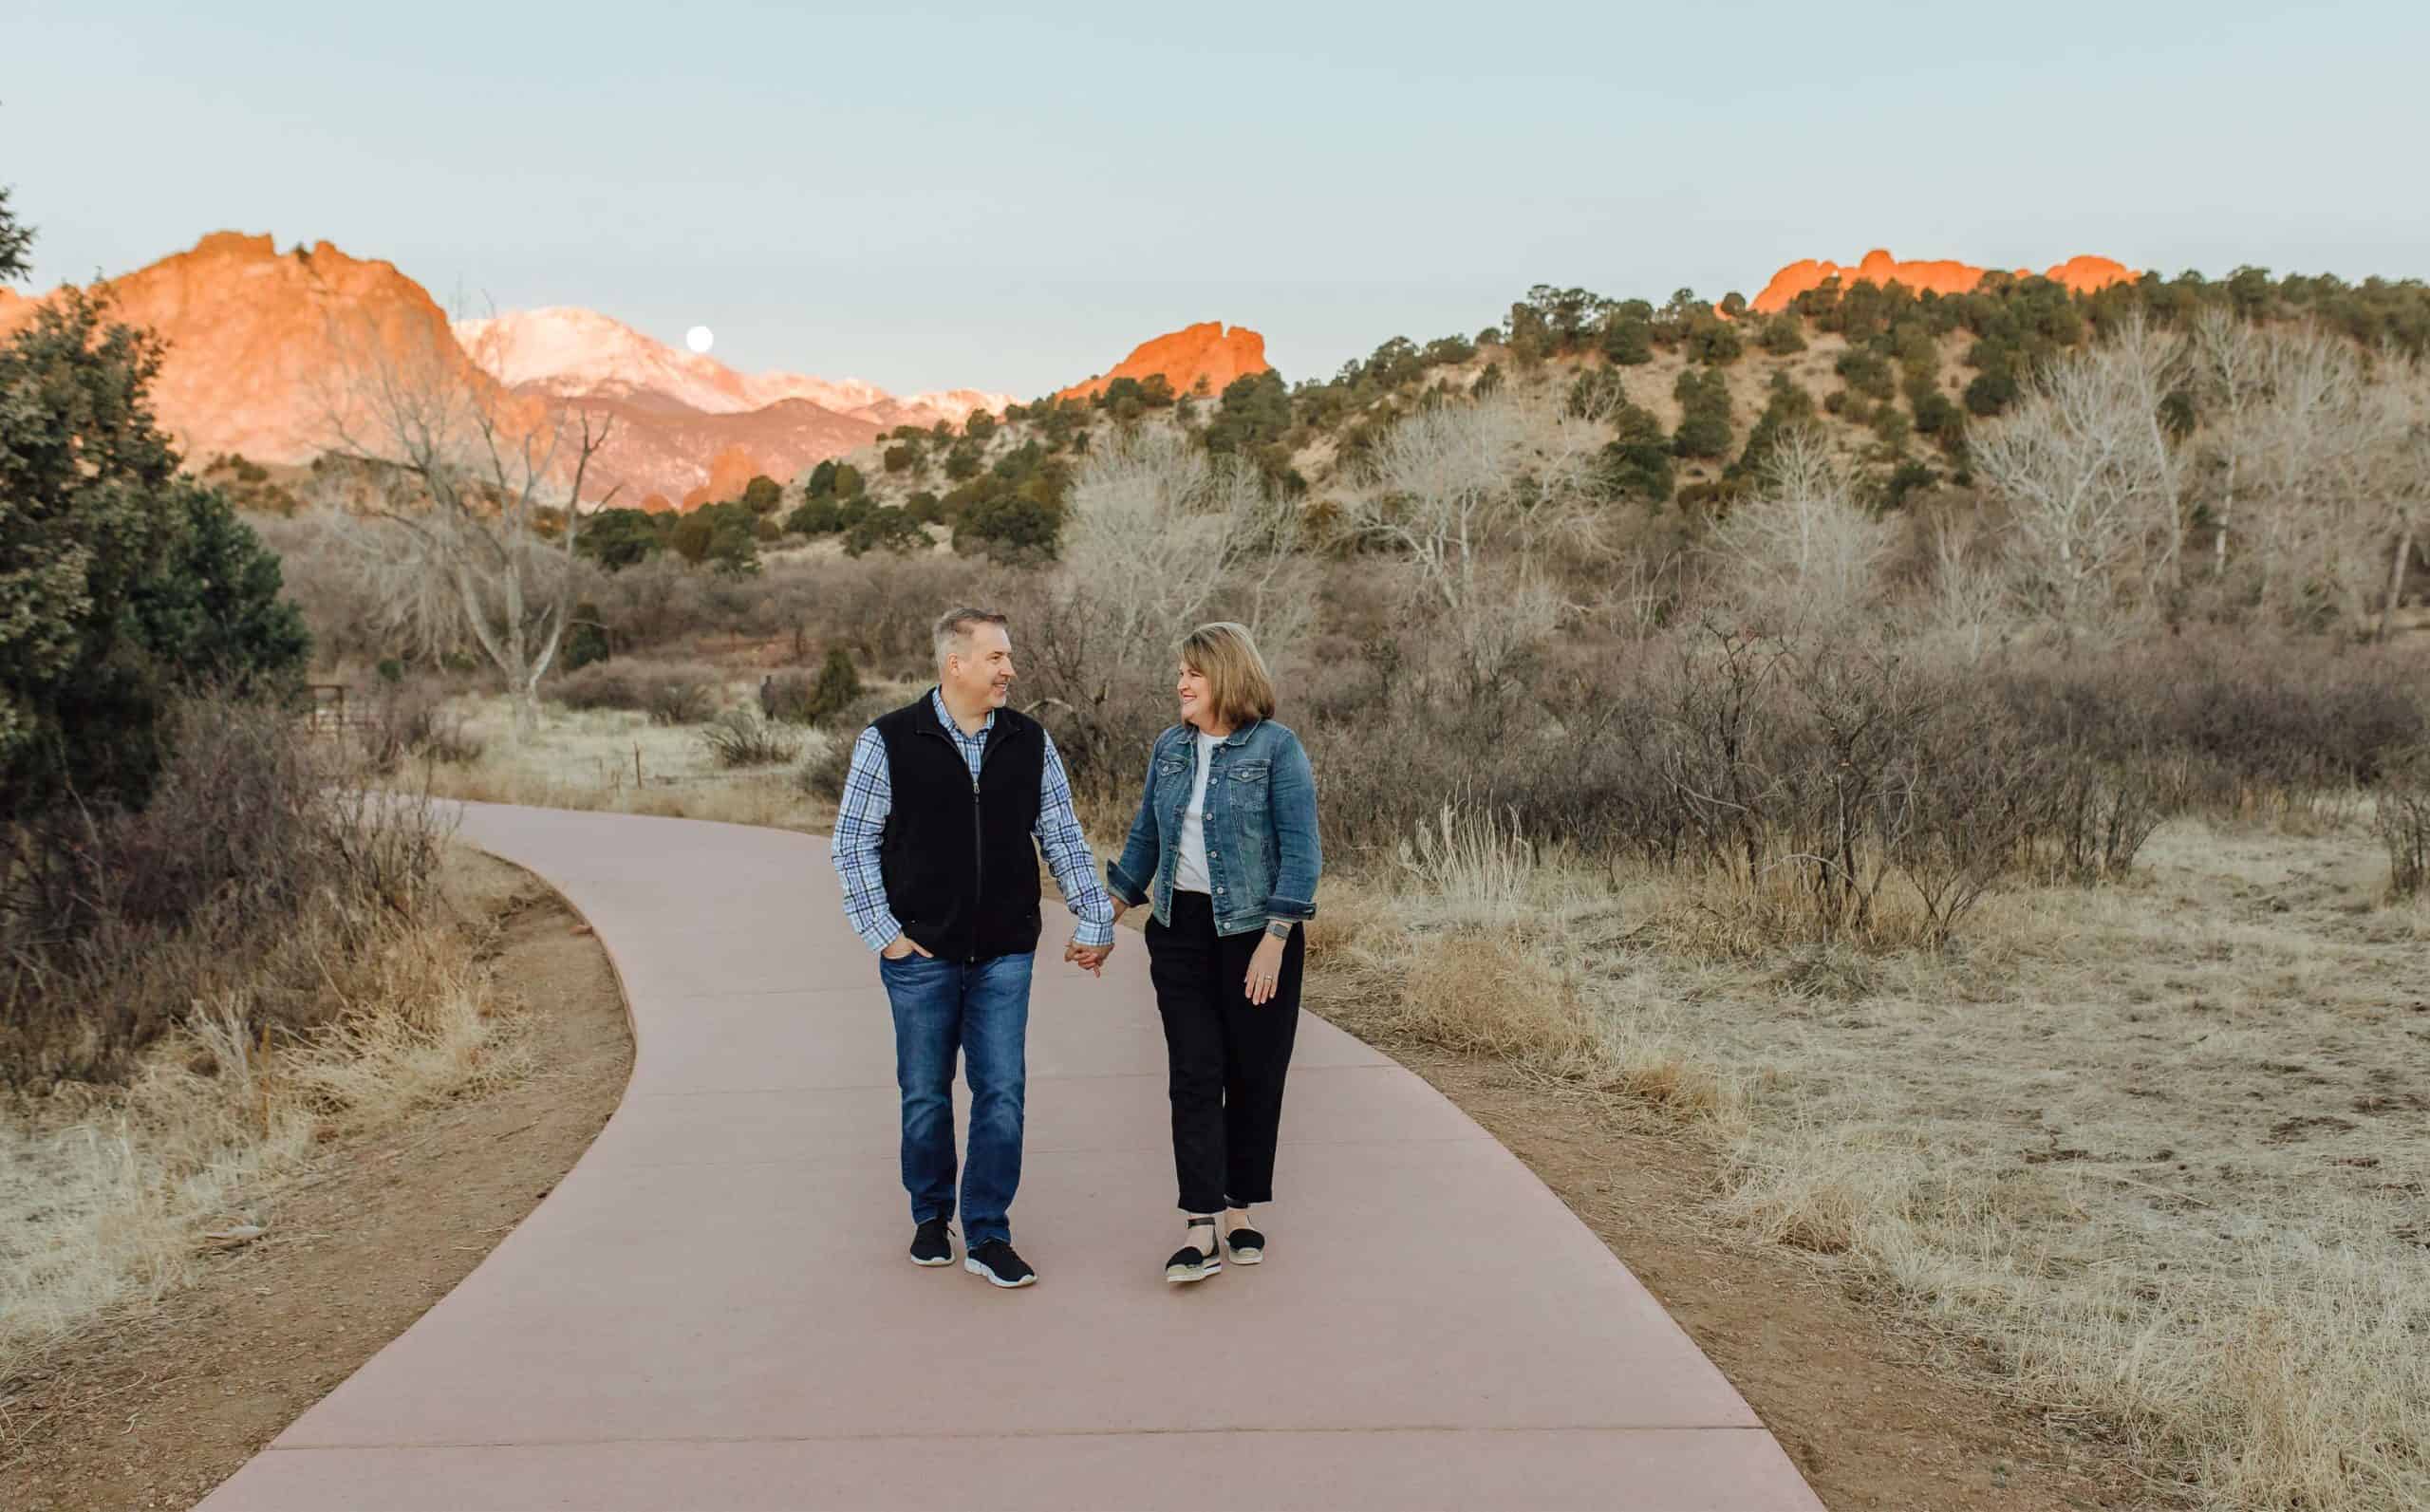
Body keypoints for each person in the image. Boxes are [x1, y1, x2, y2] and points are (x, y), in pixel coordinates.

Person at [830, 607, 1116, 1289]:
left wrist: (1094, 917)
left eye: (1008, 656)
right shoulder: (889, 740)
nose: (1009, 670)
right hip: (920, 955)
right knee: (925, 1094)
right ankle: (931, 1216)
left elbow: (1063, 836)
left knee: (1002, 1091)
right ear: (954, 663)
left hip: (1005, 952)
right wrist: (886, 935)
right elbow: (852, 842)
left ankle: (988, 1229)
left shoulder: (1029, 740)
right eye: (996, 658)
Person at [1106, 622, 1320, 1284]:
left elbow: (1302, 852)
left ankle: (1239, 1207)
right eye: (1179, 673)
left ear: (1226, 676)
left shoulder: (1277, 749)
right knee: (1195, 1071)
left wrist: (1274, 942)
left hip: (1257, 932)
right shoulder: (1170, 748)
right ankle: (1199, 1223)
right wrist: (1104, 915)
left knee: (1254, 1072)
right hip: (1180, 931)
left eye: (1192, 673)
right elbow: (1145, 837)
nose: (1180, 684)